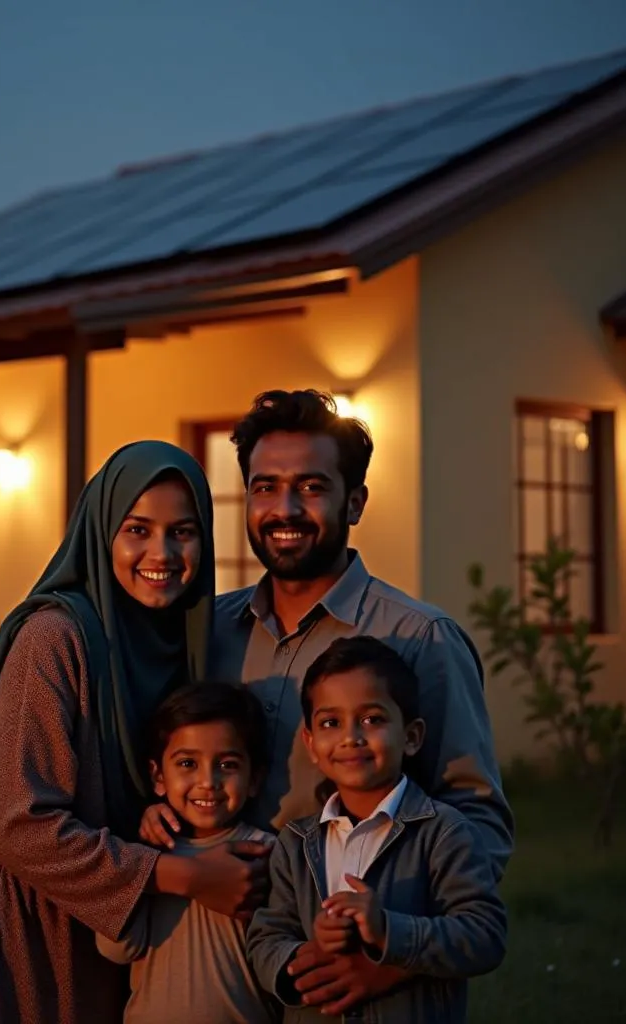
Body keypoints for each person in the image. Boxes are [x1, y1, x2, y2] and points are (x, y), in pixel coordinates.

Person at [140, 390, 513, 1015]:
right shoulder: (209, 631)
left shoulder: (419, 639)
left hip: (354, 979)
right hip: (220, 965)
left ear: (355, 501)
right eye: (264, 488)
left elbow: (480, 828)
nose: (283, 509)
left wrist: (384, 959)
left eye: (311, 487)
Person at [0, 441, 272, 1024]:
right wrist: (183, 874)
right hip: (10, 921)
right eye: (138, 529)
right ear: (102, 531)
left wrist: (157, 820)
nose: (162, 552)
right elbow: (19, 823)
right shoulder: (54, 638)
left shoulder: (179, 642)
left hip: (99, 912)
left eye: (183, 531)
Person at [247, 636, 507, 1022]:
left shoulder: (444, 832)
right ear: (312, 743)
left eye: (372, 719)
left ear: (412, 736)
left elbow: (484, 935)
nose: (351, 737)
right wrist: (302, 957)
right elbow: (266, 937)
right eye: (331, 723)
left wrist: (389, 930)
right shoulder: (296, 843)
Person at [96, 683, 279, 1024]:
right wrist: (145, 855)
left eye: (227, 764)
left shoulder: (268, 854)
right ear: (158, 776)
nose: (207, 781)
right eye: (187, 763)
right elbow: (117, 950)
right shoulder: (146, 855)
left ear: (254, 778)